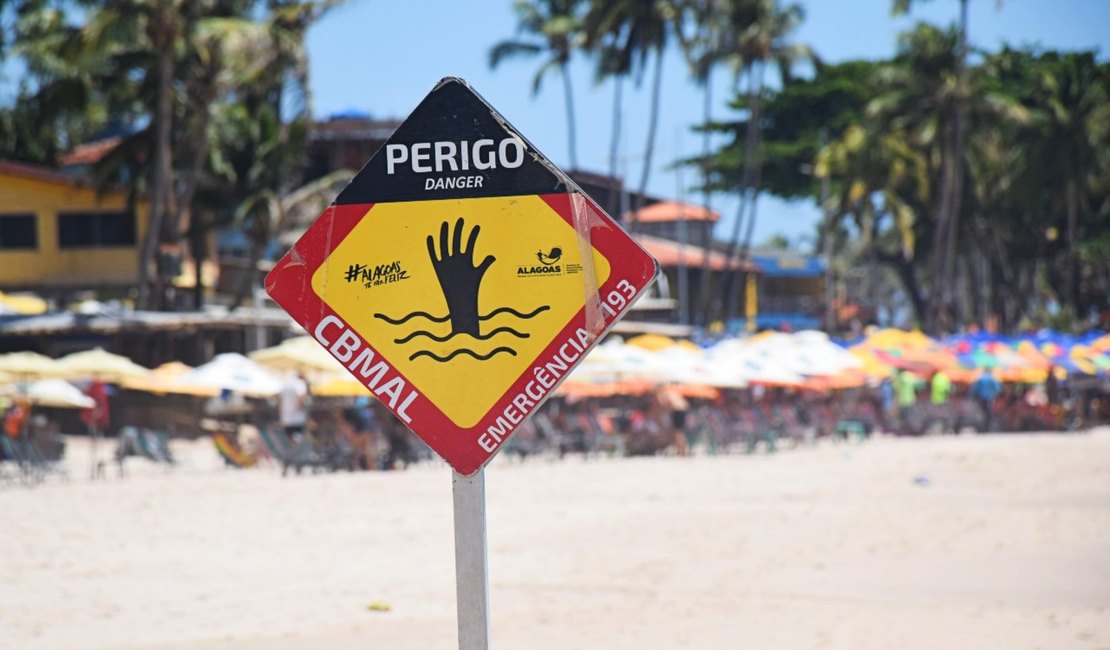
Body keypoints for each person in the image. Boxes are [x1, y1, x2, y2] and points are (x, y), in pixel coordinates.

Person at [278, 372, 309, 442]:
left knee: (289, 440)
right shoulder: (300, 384)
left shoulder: (285, 384)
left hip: (285, 418)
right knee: (297, 440)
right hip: (296, 419)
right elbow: (301, 398)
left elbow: (280, 399)